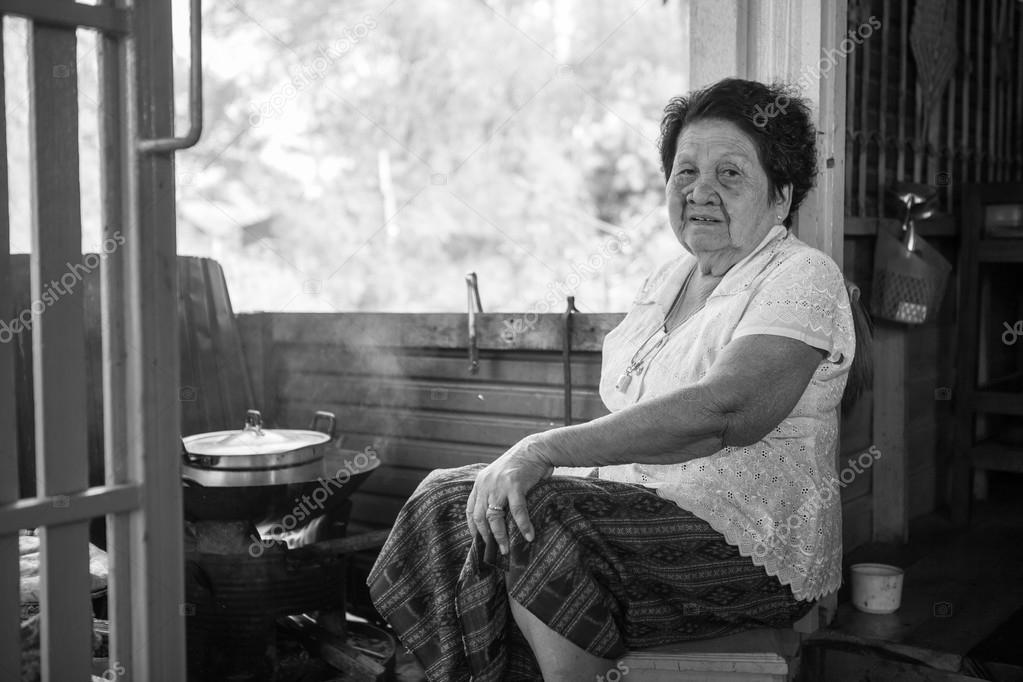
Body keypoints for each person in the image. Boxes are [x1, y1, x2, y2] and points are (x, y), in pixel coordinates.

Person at [368, 78, 858, 681]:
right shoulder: (668, 280)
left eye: (729, 174)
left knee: (537, 514)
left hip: (747, 545)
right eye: (685, 172)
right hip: (637, 511)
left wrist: (542, 449)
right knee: (450, 498)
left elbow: (726, 411)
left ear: (780, 198)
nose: (700, 191)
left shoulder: (802, 276)